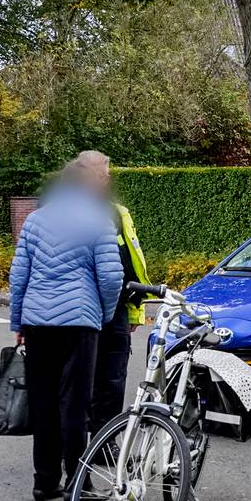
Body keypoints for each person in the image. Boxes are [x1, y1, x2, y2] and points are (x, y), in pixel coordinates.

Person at [8, 151, 123, 501]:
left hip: (38, 322)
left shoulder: (36, 220)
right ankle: (78, 482)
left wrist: (18, 322)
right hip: (79, 322)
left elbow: (19, 277)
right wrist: (102, 316)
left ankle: (44, 482)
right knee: (75, 404)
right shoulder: (98, 220)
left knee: (43, 402)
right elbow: (110, 277)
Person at [90, 168, 150, 437]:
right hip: (84, 309)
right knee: (83, 379)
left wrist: (136, 311)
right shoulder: (60, 214)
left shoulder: (118, 212)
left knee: (113, 379)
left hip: (116, 309)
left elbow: (132, 263)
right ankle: (77, 445)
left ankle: (104, 441)